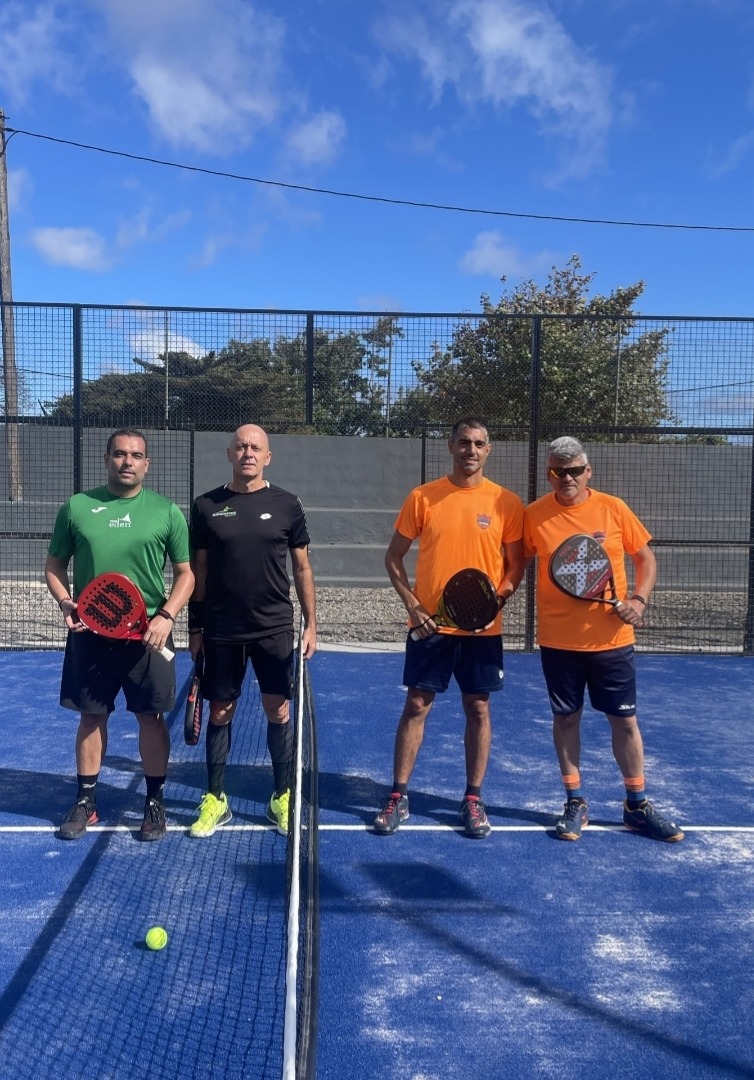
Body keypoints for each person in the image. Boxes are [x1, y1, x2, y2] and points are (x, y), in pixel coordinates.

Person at [523, 436, 684, 842]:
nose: (568, 477)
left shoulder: (614, 508)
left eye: (575, 470)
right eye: (559, 471)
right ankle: (575, 801)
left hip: (613, 641)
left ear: (588, 471)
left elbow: (645, 558)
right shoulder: (534, 516)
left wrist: (639, 600)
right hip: (558, 642)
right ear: (549, 475)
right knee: (566, 719)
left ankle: (637, 805)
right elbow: (514, 561)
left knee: (625, 721)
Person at [373, 418, 525, 839]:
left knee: (478, 709)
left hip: (482, 632)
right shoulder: (423, 497)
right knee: (416, 706)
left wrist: (497, 600)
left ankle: (473, 799)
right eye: (463, 442)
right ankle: (399, 795)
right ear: (451, 446)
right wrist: (414, 605)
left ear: (488, 449)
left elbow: (516, 565)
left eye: (478, 443)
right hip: (431, 628)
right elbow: (393, 557)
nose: (470, 450)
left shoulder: (506, 503)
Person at [45, 429, 194, 841]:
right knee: (91, 716)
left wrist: (166, 616)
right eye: (120, 454)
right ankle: (86, 801)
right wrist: (66, 602)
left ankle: (155, 801)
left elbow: (186, 574)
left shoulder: (166, 512)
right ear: (106, 458)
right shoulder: (77, 508)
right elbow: (54, 565)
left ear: (147, 464)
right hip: (89, 633)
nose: (128, 461)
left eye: (136, 455)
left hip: (149, 637)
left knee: (150, 717)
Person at [187, 424, 317, 839]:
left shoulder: (288, 504)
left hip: (273, 627)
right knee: (220, 711)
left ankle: (281, 796)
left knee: (278, 711)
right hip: (222, 628)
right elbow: (198, 570)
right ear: (229, 453)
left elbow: (302, 567)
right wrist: (194, 626)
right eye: (241, 446)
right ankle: (216, 798)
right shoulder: (206, 505)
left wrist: (312, 623)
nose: (248, 453)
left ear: (268, 457)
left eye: (255, 447)